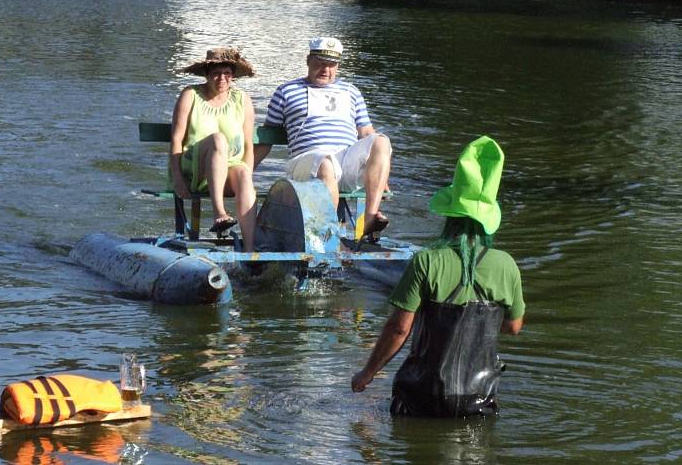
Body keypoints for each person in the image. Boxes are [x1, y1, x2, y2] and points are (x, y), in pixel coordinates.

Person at [351, 136, 525, 417]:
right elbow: (514, 326)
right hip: (477, 402)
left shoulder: (426, 261)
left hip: (422, 398)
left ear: (449, 215)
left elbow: (399, 329)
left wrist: (367, 373)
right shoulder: (506, 266)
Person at [260, 37, 392, 236]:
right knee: (325, 162)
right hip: (306, 163)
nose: (325, 70)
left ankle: (370, 218)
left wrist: (382, 175)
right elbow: (267, 135)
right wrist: (245, 169)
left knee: (382, 141)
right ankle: (330, 238)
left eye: (331, 65)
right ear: (308, 61)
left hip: (345, 163)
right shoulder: (286, 91)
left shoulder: (351, 91)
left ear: (337, 66)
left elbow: (366, 133)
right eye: (319, 64)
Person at [170, 47, 257, 251]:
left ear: (233, 76)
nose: (222, 78)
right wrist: (177, 178)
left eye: (227, 73)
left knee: (244, 172)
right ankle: (219, 213)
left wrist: (248, 178)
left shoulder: (242, 99)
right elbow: (176, 140)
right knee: (219, 140)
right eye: (216, 73)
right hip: (195, 168)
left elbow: (247, 144)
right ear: (206, 75)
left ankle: (251, 251)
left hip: (229, 168)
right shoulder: (190, 94)